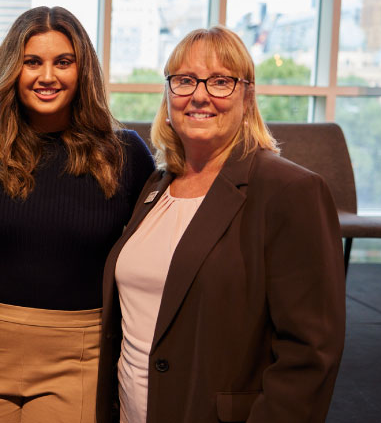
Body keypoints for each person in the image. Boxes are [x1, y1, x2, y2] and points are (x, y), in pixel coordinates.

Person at [97, 26, 345, 423]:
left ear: (247, 95)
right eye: (184, 80)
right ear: (168, 94)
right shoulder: (157, 184)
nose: (199, 95)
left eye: (220, 82)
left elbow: (310, 353)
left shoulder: (289, 191)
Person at [0, 6, 154, 422]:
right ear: (11, 71)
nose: (47, 76)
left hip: (79, 354)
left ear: (83, 71)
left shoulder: (125, 154)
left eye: (63, 62)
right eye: (32, 62)